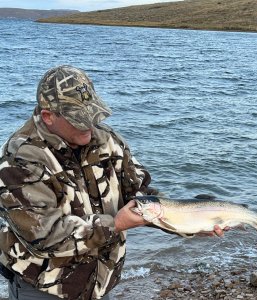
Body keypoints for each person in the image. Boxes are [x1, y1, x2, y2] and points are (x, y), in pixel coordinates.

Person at [0, 65, 225, 300]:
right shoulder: (20, 160)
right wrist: (115, 224)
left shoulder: (106, 141)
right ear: (48, 116)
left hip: (99, 284)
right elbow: (45, 236)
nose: (89, 125)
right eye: (78, 119)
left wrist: (190, 223)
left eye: (92, 115)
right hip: (43, 289)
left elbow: (140, 195)